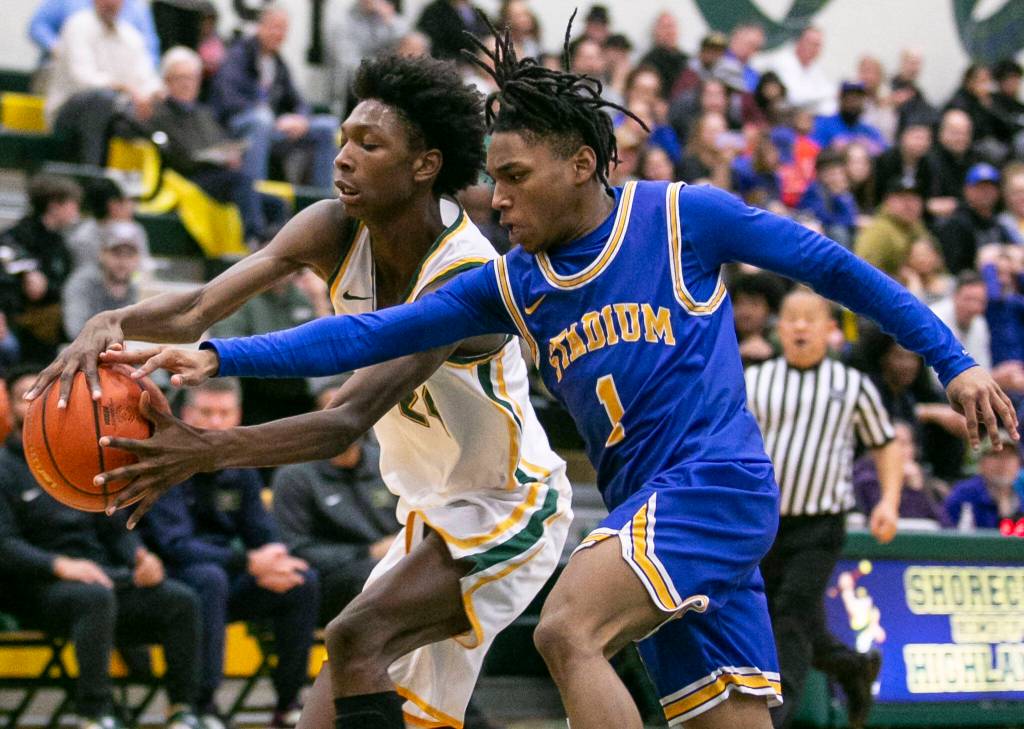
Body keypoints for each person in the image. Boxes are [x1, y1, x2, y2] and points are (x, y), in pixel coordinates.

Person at [102, 19, 1017, 729]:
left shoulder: (682, 217)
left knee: (567, 626)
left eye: (514, 176)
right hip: (648, 513)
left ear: (581, 164)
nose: (496, 197)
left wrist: (955, 361)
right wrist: (218, 353)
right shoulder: (512, 281)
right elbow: (365, 337)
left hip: (711, 485)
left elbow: (835, 268)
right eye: (492, 178)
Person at [28, 53, 567, 729]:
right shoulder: (331, 227)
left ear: (425, 165)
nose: (343, 157)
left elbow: (345, 419)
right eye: (343, 138)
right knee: (339, 694)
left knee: (353, 638)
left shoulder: (460, 275)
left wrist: (205, 449)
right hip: (432, 508)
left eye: (369, 144)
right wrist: (110, 320)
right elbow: (196, 308)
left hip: (508, 502)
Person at [0, 366, 204, 729]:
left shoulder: (77, 456)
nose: (33, 405)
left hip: (102, 578)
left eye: (41, 397)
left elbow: (113, 527)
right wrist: (61, 566)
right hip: (38, 588)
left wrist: (139, 556)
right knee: (94, 597)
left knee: (179, 599)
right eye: (24, 398)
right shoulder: (4, 467)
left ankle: (183, 711)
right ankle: (95, 713)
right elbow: (5, 546)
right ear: (11, 408)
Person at [746, 289, 900, 729]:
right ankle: (853, 668)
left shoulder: (852, 385)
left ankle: (776, 715)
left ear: (830, 330)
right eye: (791, 318)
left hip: (821, 523)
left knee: (790, 613)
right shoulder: (754, 381)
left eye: (809, 319)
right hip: (764, 522)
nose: (799, 326)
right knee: (793, 621)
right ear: (778, 329)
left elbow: (886, 445)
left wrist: (888, 501)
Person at [141, 378, 319, 729]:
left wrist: (275, 555)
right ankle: (203, 703)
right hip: (173, 577)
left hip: (227, 573)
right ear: (186, 414)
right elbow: (175, 546)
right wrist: (249, 562)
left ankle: (289, 703)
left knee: (301, 579)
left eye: (225, 413)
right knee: (210, 578)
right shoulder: (163, 463)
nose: (216, 422)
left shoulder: (240, 465)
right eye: (206, 412)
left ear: (238, 416)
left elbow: (261, 529)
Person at [271, 375, 398, 625]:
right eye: (335, 413)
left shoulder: (387, 462)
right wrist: (367, 552)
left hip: (392, 564)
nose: (346, 422)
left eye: (354, 412)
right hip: (329, 582)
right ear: (316, 419)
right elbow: (296, 548)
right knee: (374, 578)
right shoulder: (295, 476)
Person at [151, 46, 284, 244]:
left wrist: (231, 155)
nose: (187, 84)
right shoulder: (159, 113)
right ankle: (254, 238)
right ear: (167, 81)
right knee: (242, 180)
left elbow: (222, 141)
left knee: (276, 204)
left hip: (219, 176)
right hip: (188, 178)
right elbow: (174, 154)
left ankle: (278, 248)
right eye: (181, 78)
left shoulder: (204, 113)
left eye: (192, 78)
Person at [209, 4, 339, 189]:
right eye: (274, 27)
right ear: (260, 26)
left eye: (283, 29)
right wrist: (267, 114)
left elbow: (298, 100)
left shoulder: (278, 63)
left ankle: (320, 198)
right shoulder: (238, 55)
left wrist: (300, 119)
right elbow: (228, 99)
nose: (278, 34)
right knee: (262, 120)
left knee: (327, 126)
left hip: (273, 126)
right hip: (237, 127)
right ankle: (256, 194)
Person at [46, 0, 164, 167]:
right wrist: (126, 89)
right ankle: (91, 171)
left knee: (152, 107)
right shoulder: (77, 26)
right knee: (101, 99)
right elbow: (83, 78)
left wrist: (155, 93)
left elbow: (146, 77)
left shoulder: (131, 36)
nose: (111, 3)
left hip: (116, 112)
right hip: (67, 114)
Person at [0, 174, 80, 361]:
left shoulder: (61, 242)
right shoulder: (18, 235)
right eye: (72, 204)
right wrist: (27, 273)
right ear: (54, 205)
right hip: (16, 319)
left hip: (47, 325)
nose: (76, 210)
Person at [61, 220, 142, 338]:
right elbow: (74, 330)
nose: (123, 262)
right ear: (102, 253)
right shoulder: (83, 282)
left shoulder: (133, 288)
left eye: (130, 255)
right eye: (116, 253)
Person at [327, 0, 407, 115]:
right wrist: (382, 69)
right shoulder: (343, 21)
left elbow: (407, 42)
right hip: (355, 86)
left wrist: (390, 21)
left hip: (386, 82)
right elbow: (348, 61)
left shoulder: (386, 18)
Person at [936, 163, 1016, 275]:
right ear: (967, 190)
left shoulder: (999, 224)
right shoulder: (955, 224)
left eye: (990, 187)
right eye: (980, 188)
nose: (985, 192)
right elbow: (955, 267)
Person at [29, 0, 160, 65]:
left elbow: (150, 50)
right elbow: (37, 26)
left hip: (118, 76)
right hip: (64, 68)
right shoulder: (77, 20)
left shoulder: (136, 9)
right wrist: (58, 48)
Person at [854, 177, 930, 279]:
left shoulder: (917, 227)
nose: (910, 205)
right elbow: (863, 273)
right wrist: (900, 280)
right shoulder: (879, 231)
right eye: (903, 198)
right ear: (888, 201)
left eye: (915, 199)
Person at [945, 436, 1022, 529]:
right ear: (981, 462)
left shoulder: (1021, 493)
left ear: (1019, 463)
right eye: (995, 455)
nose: (1003, 462)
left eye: (1009, 456)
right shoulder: (964, 494)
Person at [770, 26, 835, 116]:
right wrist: (825, 95)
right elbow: (793, 97)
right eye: (811, 43)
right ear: (799, 42)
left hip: (809, 116)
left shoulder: (815, 68)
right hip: (784, 117)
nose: (814, 48)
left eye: (818, 45)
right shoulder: (782, 62)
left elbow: (830, 99)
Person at [812, 82, 886, 155]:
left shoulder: (867, 129)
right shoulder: (824, 124)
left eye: (857, 99)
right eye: (849, 98)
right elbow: (812, 149)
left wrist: (868, 145)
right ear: (841, 100)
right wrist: (831, 148)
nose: (853, 103)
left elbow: (885, 151)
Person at [415, 0, 488, 61]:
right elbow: (434, 45)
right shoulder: (434, 12)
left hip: (478, 62)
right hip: (449, 63)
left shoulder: (476, 12)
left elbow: (486, 36)